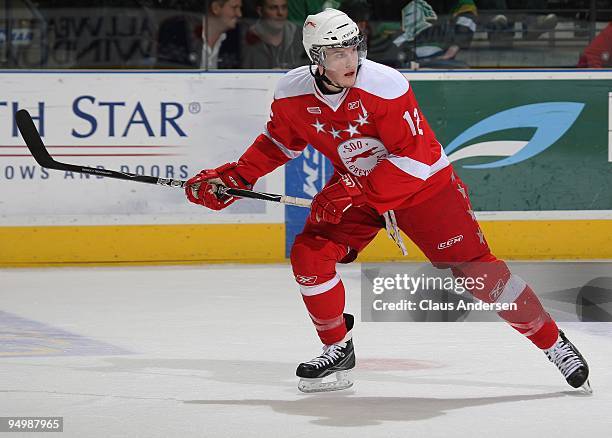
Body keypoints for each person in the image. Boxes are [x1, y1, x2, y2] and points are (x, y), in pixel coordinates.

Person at [184, 8, 591, 394]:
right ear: (315, 57)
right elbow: (278, 143)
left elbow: (412, 158)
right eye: (336, 53)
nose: (349, 60)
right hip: (358, 188)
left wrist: (346, 192)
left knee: (478, 274)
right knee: (310, 254)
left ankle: (553, 343)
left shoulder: (384, 84)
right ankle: (337, 348)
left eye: (353, 48)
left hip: (425, 189)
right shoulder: (292, 93)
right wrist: (233, 177)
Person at [242, 0, 306, 69]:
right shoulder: (247, 38)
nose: (280, 13)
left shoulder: (301, 35)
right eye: (273, 8)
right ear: (260, 11)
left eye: (284, 7)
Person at [201, 0, 243, 68]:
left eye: (240, 8)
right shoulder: (188, 38)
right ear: (216, 8)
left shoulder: (229, 41)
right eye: (234, 7)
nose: (240, 14)